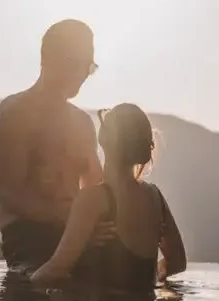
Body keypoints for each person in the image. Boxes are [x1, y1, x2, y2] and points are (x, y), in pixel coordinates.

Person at [0, 19, 108, 271]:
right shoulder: (13, 115)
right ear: (52, 59)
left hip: (76, 238)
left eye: (90, 66)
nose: (86, 73)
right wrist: (73, 220)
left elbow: (96, 187)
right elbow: (11, 195)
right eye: (82, 64)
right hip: (31, 245)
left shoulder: (82, 123)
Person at [30, 103, 187, 291]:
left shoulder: (94, 199)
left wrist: (25, 287)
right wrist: (154, 274)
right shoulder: (155, 197)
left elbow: (54, 270)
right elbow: (177, 262)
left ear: (104, 139)